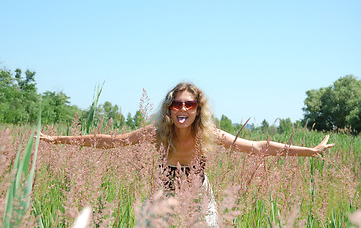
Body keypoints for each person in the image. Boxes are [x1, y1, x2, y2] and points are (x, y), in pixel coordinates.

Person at [39, 82, 334, 227]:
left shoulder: (210, 135)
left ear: (198, 108)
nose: (183, 109)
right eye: (177, 104)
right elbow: (109, 141)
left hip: (199, 194)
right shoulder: (154, 134)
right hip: (162, 195)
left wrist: (310, 150)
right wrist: (56, 140)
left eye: (189, 104)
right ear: (169, 109)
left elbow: (259, 147)